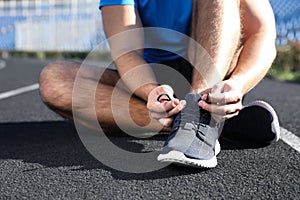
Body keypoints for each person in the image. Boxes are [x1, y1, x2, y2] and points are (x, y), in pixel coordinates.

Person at [39, 0, 280, 168]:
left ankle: (198, 110)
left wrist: (237, 84)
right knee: (55, 80)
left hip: (213, 70)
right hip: (154, 78)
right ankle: (196, 122)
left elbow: (262, 34)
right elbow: (126, 51)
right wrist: (151, 91)